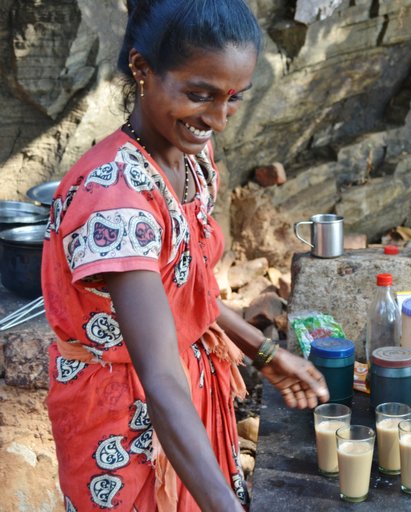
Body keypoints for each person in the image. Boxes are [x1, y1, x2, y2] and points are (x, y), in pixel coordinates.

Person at [40, 1, 329, 510]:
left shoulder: (187, 157)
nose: (218, 119)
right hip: (123, 422)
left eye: (234, 98)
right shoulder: (115, 201)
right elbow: (159, 375)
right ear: (142, 69)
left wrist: (263, 352)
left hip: (181, 407)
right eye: (201, 95)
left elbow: (179, 291)